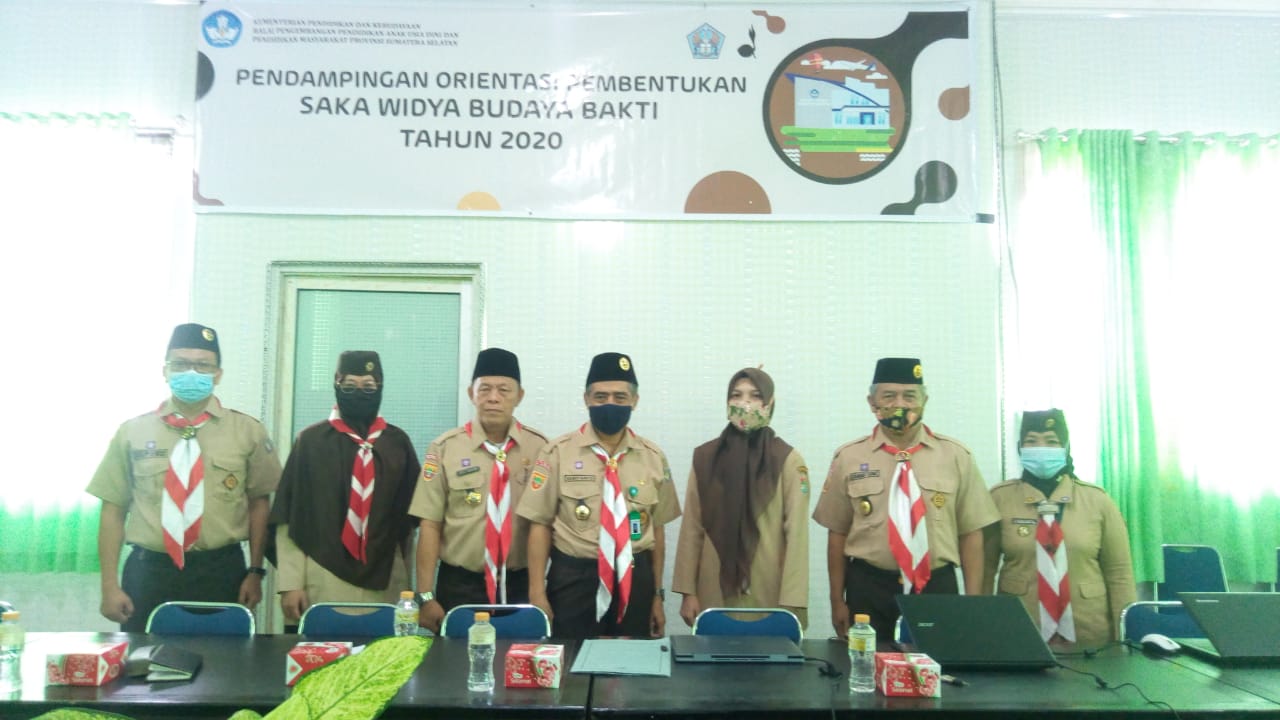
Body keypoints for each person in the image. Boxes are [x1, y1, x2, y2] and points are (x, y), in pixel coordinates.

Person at [88, 323, 282, 631]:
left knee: (225, 659)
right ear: (165, 371)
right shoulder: (133, 432)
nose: (191, 372)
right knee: (143, 659)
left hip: (221, 571)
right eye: (180, 364)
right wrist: (109, 586)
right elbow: (112, 510)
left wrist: (255, 572)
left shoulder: (247, 431)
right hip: (149, 572)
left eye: (202, 365)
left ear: (218, 374)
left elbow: (260, 505)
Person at [812, 357, 1000, 642]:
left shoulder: (956, 456)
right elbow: (837, 534)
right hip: (869, 587)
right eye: (889, 396)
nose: (900, 404)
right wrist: (837, 600)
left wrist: (973, 604)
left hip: (936, 587)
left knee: (940, 666)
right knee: (867, 666)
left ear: (925, 401)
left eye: (910, 396)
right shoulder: (849, 457)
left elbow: (971, 533)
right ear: (872, 402)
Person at [517, 352, 681, 639]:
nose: (610, 404)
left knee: (631, 661)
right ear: (586, 399)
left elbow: (657, 529)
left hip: (635, 576)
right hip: (574, 579)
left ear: (635, 401)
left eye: (620, 397)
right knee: (572, 661)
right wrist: (536, 592)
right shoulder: (557, 453)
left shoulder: (653, 457)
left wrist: (657, 595)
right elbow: (539, 524)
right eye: (601, 397)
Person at [268, 351, 420, 626]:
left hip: (386, 582)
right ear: (336, 385)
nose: (359, 394)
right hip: (321, 577)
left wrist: (410, 588)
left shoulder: (397, 443)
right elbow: (289, 518)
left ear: (380, 388)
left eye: (368, 387)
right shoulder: (311, 442)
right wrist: (290, 584)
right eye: (349, 386)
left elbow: (409, 526)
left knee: (383, 652)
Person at [409, 348, 547, 634]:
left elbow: (544, 525)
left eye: (504, 390)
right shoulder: (445, 449)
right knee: (455, 660)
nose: (493, 398)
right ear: (471, 393)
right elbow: (430, 524)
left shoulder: (541, 449)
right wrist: (425, 595)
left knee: (519, 658)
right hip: (460, 585)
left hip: (520, 583)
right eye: (484, 389)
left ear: (519, 396)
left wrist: (538, 592)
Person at [983, 409, 1136, 648]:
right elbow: (984, 570)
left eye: (1051, 441)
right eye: (1031, 441)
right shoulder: (999, 499)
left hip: (1090, 634)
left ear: (1065, 447)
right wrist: (982, 630)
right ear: (1020, 448)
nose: (1041, 447)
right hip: (1019, 631)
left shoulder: (1098, 501)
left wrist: (1125, 638)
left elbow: (1119, 573)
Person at [673, 367, 810, 628]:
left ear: (769, 403)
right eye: (736, 395)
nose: (745, 403)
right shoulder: (706, 458)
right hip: (713, 592)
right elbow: (692, 526)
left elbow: (797, 536)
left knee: (770, 654)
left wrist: (792, 602)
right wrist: (687, 592)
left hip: (769, 593)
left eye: (755, 395)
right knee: (712, 653)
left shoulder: (787, 459)